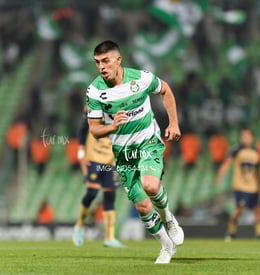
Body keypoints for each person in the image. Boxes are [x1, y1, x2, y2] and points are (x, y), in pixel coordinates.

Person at [85, 40, 184, 264]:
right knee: (142, 205)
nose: (101, 67)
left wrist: (174, 123)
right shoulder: (95, 91)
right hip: (122, 152)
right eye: (98, 62)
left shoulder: (141, 79)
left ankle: (169, 218)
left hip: (148, 141)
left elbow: (165, 89)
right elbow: (94, 130)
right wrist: (112, 126)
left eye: (106, 61)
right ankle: (166, 247)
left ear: (118, 60)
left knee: (151, 185)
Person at [72, 111, 125, 248]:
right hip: (94, 156)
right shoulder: (95, 103)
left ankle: (109, 237)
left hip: (111, 158)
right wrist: (81, 154)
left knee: (110, 196)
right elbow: (84, 128)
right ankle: (80, 225)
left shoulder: (122, 104)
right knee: (92, 192)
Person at [214, 127, 260, 240]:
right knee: (240, 209)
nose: (245, 138)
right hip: (240, 186)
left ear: (252, 137)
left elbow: (257, 170)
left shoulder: (256, 151)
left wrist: (258, 185)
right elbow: (227, 163)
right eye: (243, 136)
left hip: (253, 187)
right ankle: (231, 231)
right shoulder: (237, 150)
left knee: (257, 211)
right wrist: (219, 177)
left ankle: (259, 234)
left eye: (247, 136)